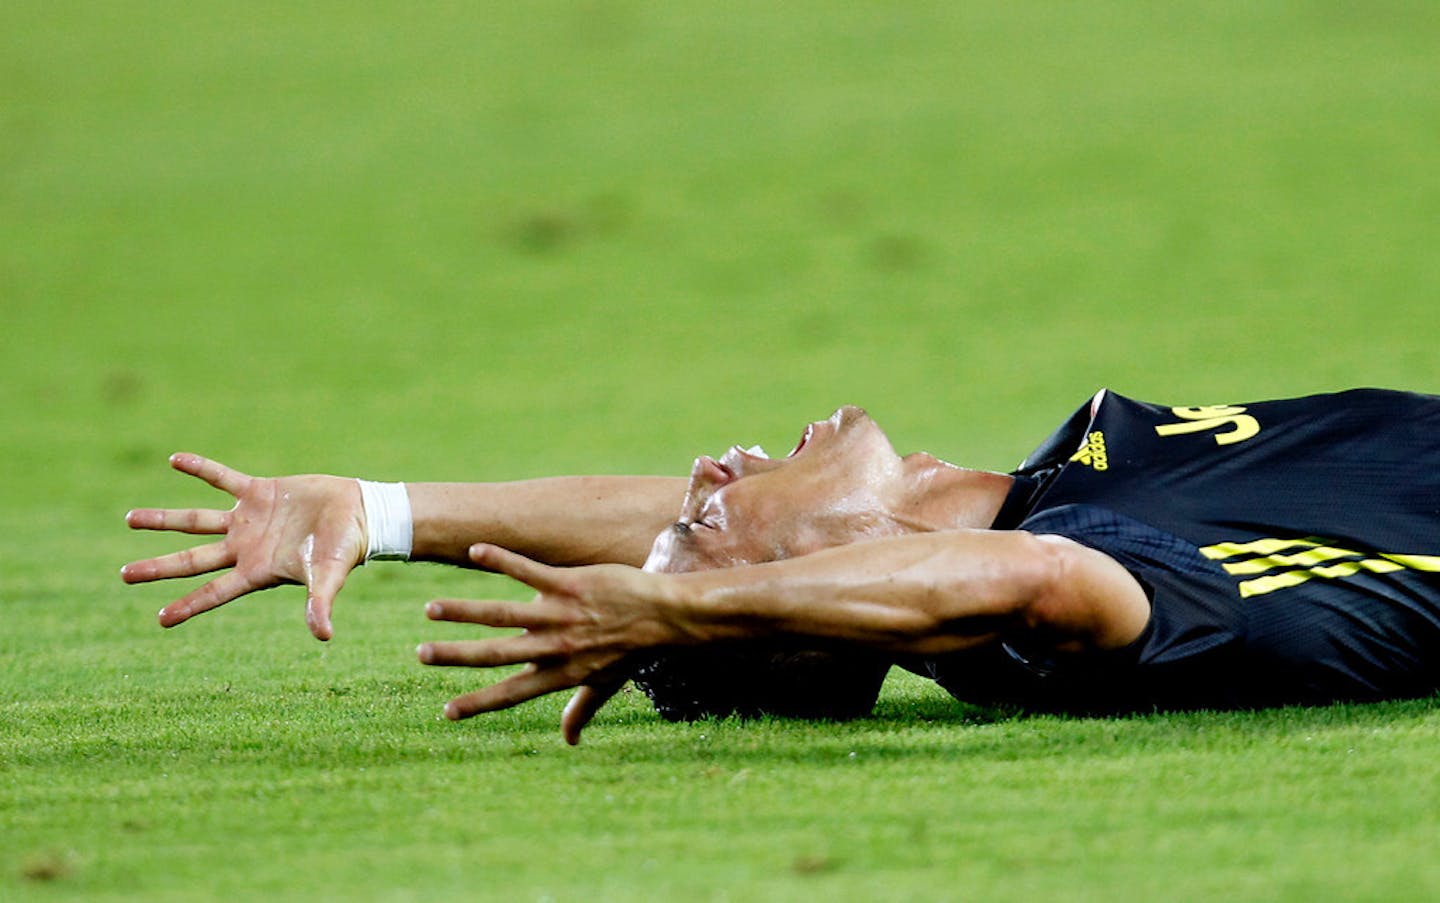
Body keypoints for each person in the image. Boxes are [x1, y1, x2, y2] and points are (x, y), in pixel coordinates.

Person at [122, 389, 1440, 744]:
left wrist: (380, 508)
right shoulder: (1049, 613)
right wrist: (683, 600)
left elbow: (744, 532)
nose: (705, 474)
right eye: (707, 525)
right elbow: (1017, 581)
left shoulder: (1027, 496)